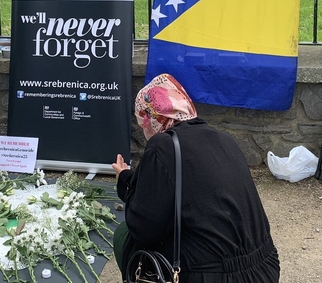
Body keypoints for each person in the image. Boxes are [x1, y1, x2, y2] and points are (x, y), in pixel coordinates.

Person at [112, 74, 280, 283]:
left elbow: (143, 227)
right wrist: (127, 178)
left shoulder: (163, 146)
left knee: (123, 234)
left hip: (216, 277)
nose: (144, 130)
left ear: (152, 117)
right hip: (264, 268)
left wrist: (127, 190)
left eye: (142, 123)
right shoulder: (224, 139)